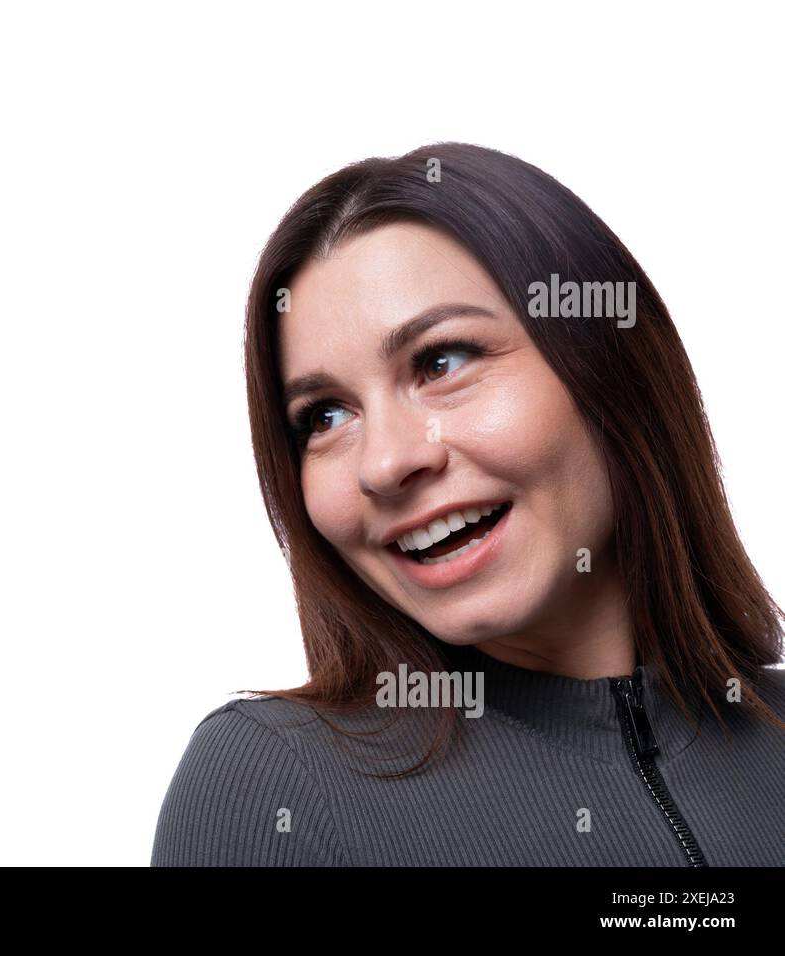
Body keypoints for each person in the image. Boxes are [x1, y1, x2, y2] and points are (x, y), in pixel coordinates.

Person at [150, 143, 785, 866]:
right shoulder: (274, 783)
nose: (387, 462)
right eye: (324, 416)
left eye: (441, 361)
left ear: (613, 370)